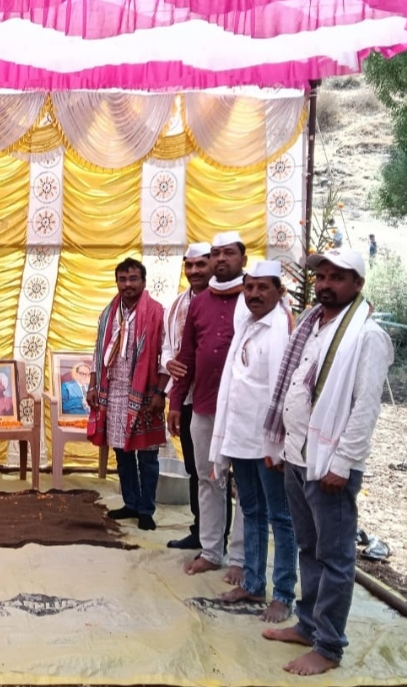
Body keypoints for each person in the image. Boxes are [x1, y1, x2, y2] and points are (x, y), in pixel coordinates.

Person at [261, 249, 393, 677]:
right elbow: (296, 390)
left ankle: (329, 646)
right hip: (298, 455)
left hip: (331, 463)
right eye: (321, 276)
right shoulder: (311, 325)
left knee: (335, 557)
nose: (325, 284)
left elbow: (365, 407)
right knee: (309, 547)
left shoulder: (367, 336)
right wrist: (282, 446)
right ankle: (308, 625)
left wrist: (344, 461)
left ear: (358, 284)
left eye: (337, 277)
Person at [208, 260, 296, 624]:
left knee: (280, 517)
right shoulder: (246, 325)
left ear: (278, 291)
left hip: (269, 441)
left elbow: (283, 392)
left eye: (263, 287)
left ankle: (284, 595)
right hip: (240, 436)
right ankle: (254, 583)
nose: (255, 294)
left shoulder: (282, 330)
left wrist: (279, 446)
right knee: (251, 510)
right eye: (250, 287)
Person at [169, 231, 248, 576]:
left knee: (245, 487)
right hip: (203, 405)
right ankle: (212, 551)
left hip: (246, 410)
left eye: (228, 253)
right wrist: (175, 401)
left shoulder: (256, 296)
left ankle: (242, 560)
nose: (220, 259)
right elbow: (186, 355)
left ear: (243, 259)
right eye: (216, 253)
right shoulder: (200, 303)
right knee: (208, 478)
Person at [85, 258, 166, 531]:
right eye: (122, 279)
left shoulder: (157, 312)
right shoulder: (108, 314)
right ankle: (130, 502)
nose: (127, 284)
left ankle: (146, 510)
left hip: (145, 393)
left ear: (143, 281)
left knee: (147, 456)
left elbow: (166, 354)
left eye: (133, 279)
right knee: (122, 452)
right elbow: (98, 352)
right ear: (116, 282)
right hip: (114, 391)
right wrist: (93, 386)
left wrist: (160, 391)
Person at [162, 242, 212, 551]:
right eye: (189, 265)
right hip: (187, 396)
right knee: (195, 468)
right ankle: (201, 531)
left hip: (215, 398)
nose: (194, 271)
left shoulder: (228, 301)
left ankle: (216, 538)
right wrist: (168, 361)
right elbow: (168, 346)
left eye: (200, 264)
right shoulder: (179, 303)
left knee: (215, 472)